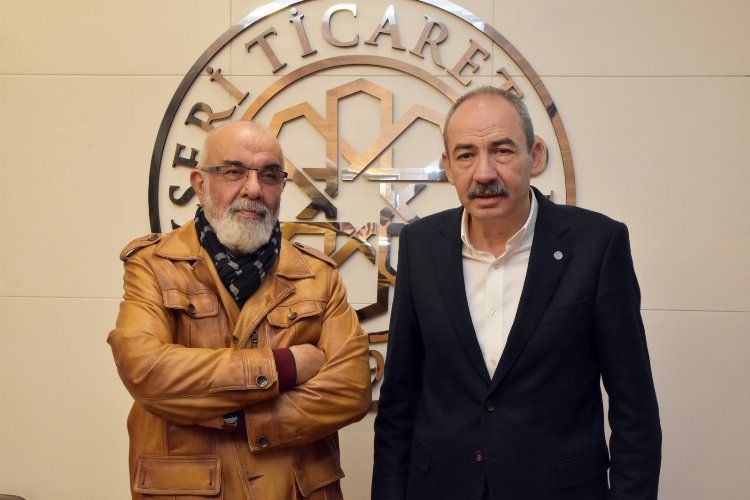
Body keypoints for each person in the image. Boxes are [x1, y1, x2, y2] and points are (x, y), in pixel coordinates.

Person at [372, 86, 661, 500]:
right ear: (448, 167)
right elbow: (399, 402)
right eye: (466, 155)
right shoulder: (421, 245)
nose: (483, 173)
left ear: (535, 155)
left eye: (502, 151)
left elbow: (635, 412)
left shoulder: (597, 245)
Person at [108, 121, 371, 500]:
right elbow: (146, 370)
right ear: (200, 184)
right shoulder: (153, 264)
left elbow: (351, 389)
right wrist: (285, 366)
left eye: (269, 175)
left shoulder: (319, 275)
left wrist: (238, 419)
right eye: (234, 172)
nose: (253, 189)